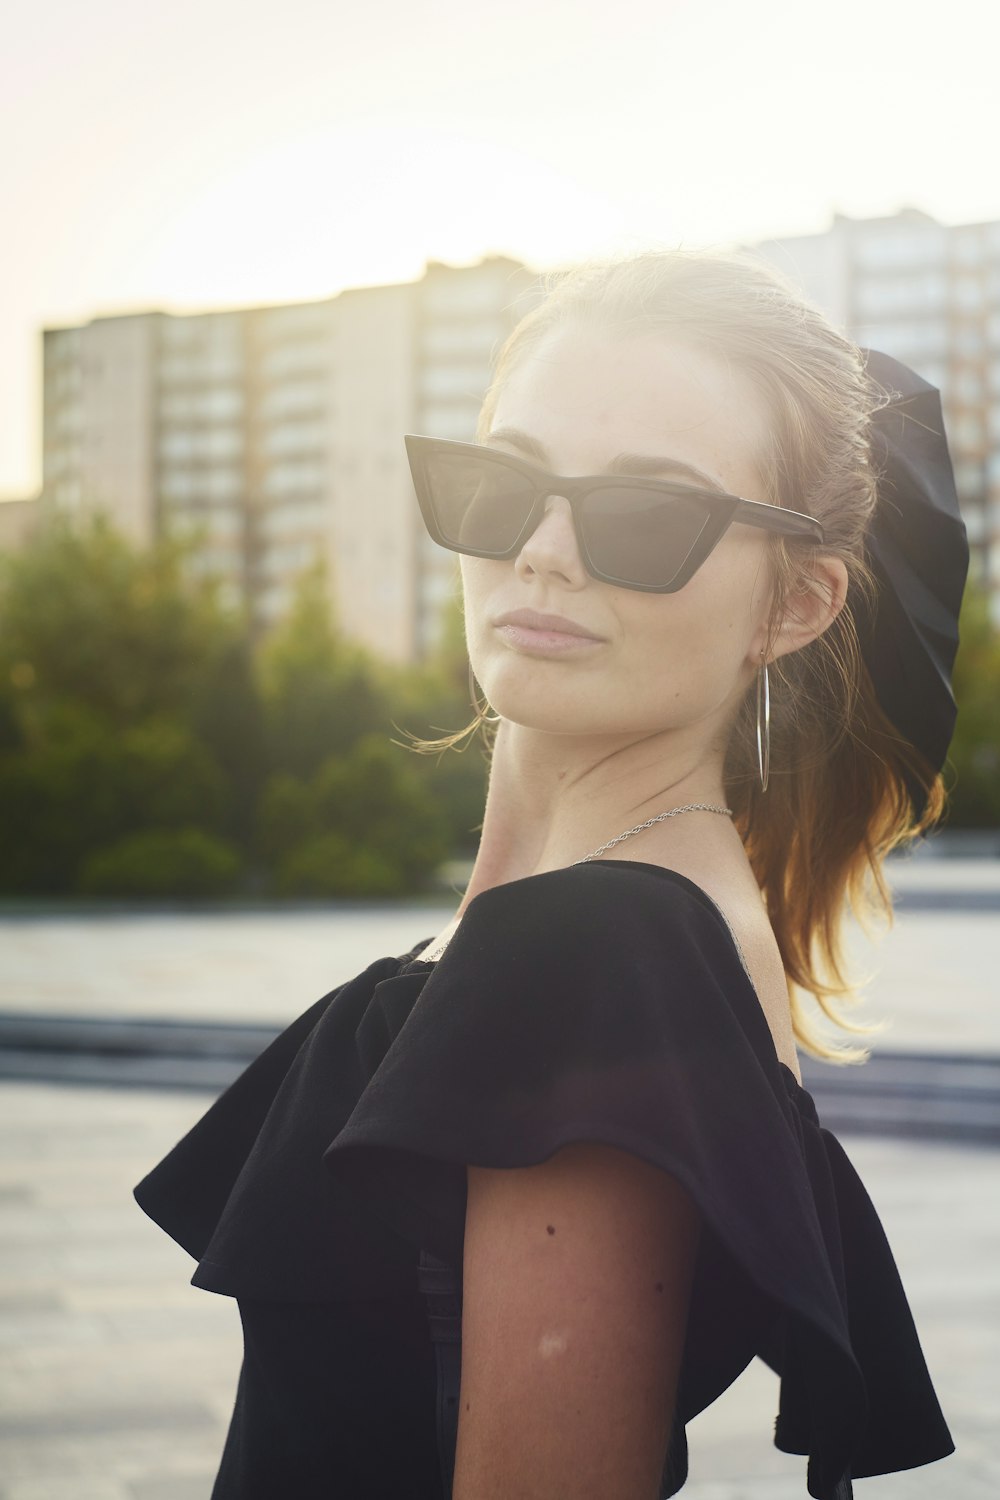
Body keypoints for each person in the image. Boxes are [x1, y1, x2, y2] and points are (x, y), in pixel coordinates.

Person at [134, 249, 966, 1500]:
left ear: (793, 603)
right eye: (503, 481)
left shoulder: (598, 948)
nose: (543, 547)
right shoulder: (611, 914)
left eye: (643, 513)